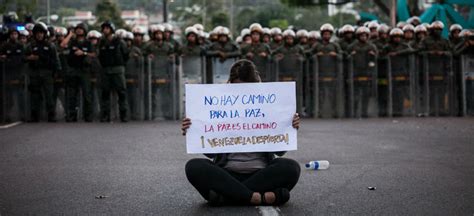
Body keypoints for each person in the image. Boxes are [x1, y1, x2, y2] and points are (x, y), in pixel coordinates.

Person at [183, 59, 301, 206]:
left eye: (247, 89)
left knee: (291, 167)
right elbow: (211, 154)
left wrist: (288, 127)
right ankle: (258, 197)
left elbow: (280, 151)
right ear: (230, 84)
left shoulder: (269, 107)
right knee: (194, 166)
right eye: (237, 88)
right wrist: (194, 130)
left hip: (261, 174)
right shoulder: (220, 107)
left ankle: (228, 196)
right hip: (226, 175)